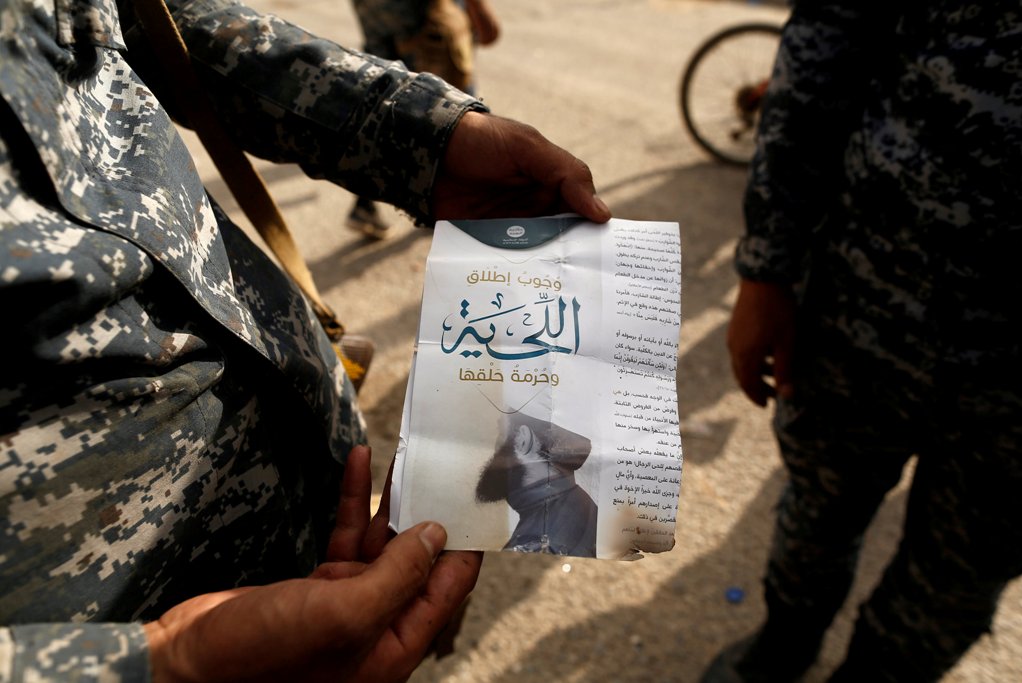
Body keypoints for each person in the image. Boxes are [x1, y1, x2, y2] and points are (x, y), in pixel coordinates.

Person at [0, 0, 611, 679]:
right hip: (129, 618)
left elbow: (137, 19)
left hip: (318, 511)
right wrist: (162, 660)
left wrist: (419, 134)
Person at [702, 3, 1022, 682]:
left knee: (954, 582)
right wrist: (767, 266)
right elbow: (830, 35)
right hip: (868, 302)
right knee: (817, 513)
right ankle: (783, 645)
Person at [346, 0, 501, 238]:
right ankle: (462, 205)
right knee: (453, 101)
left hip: (373, 10)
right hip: (421, 13)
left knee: (384, 97)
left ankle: (365, 202)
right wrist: (479, 8)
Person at [475, 417, 598, 557]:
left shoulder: (533, 545)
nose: (493, 448)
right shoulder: (582, 505)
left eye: (500, 432)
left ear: (522, 440)